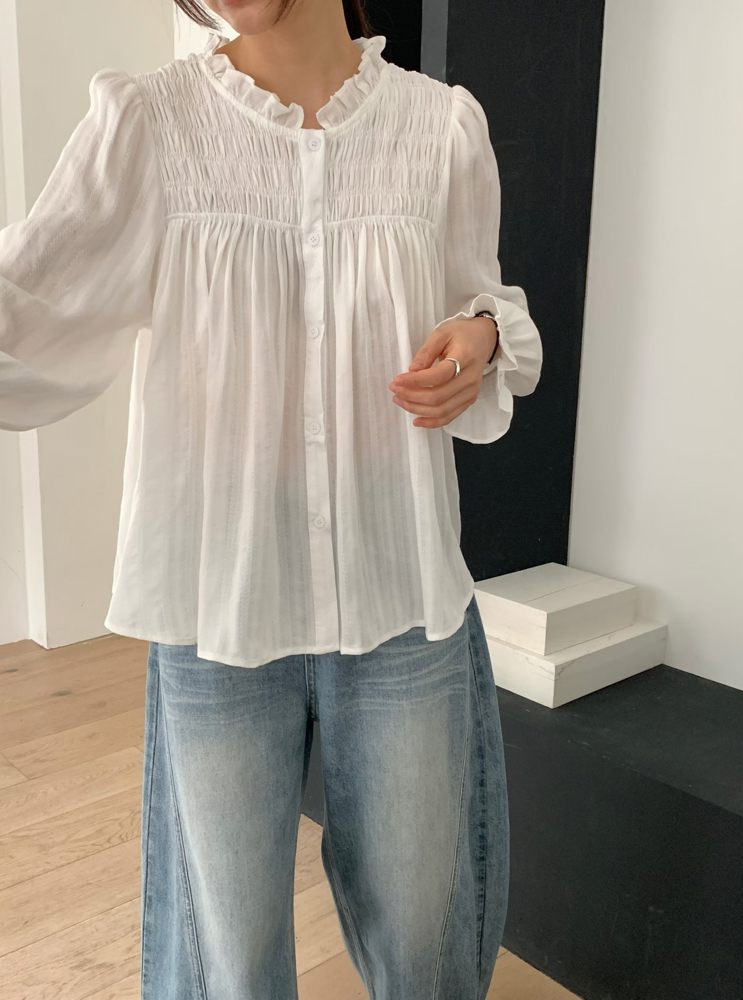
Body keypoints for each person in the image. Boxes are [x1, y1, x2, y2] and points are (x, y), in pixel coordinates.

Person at [0, 0, 543, 996]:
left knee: (424, 947)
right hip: (220, 599)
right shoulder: (152, 126)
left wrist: (479, 335)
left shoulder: (440, 128)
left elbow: (481, 295)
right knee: (229, 962)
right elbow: (28, 308)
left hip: (398, 590)